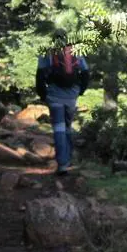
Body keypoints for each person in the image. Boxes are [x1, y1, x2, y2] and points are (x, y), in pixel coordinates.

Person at [35, 29, 90, 175]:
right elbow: (86, 73)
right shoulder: (76, 50)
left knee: (58, 128)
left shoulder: (47, 53)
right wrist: (80, 91)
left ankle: (62, 164)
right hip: (72, 96)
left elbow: (40, 76)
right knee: (67, 126)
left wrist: (43, 95)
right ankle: (68, 157)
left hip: (54, 96)